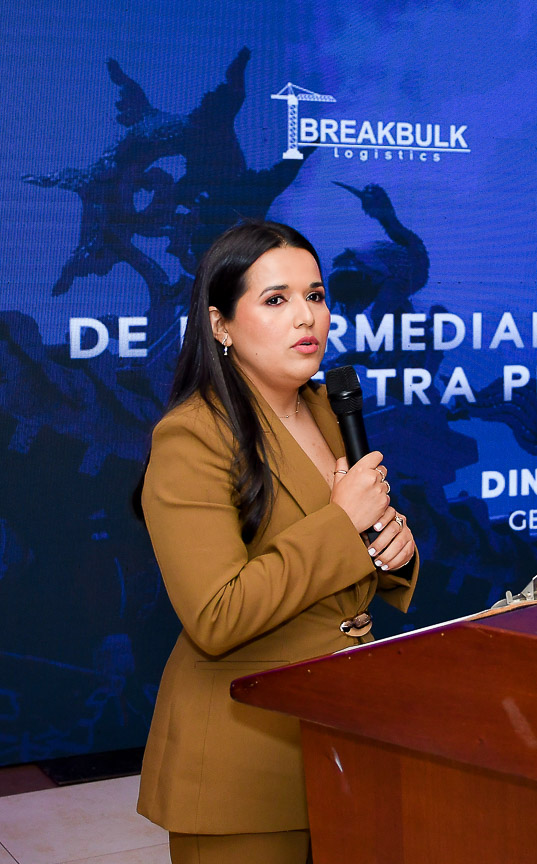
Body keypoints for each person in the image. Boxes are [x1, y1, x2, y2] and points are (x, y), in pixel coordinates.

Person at [134, 221, 418, 864]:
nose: (306, 317)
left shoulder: (326, 408)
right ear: (220, 324)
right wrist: (343, 524)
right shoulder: (192, 436)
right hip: (243, 761)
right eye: (275, 299)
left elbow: (347, 542)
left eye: (315, 295)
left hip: (346, 736)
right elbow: (216, 615)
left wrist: (390, 549)